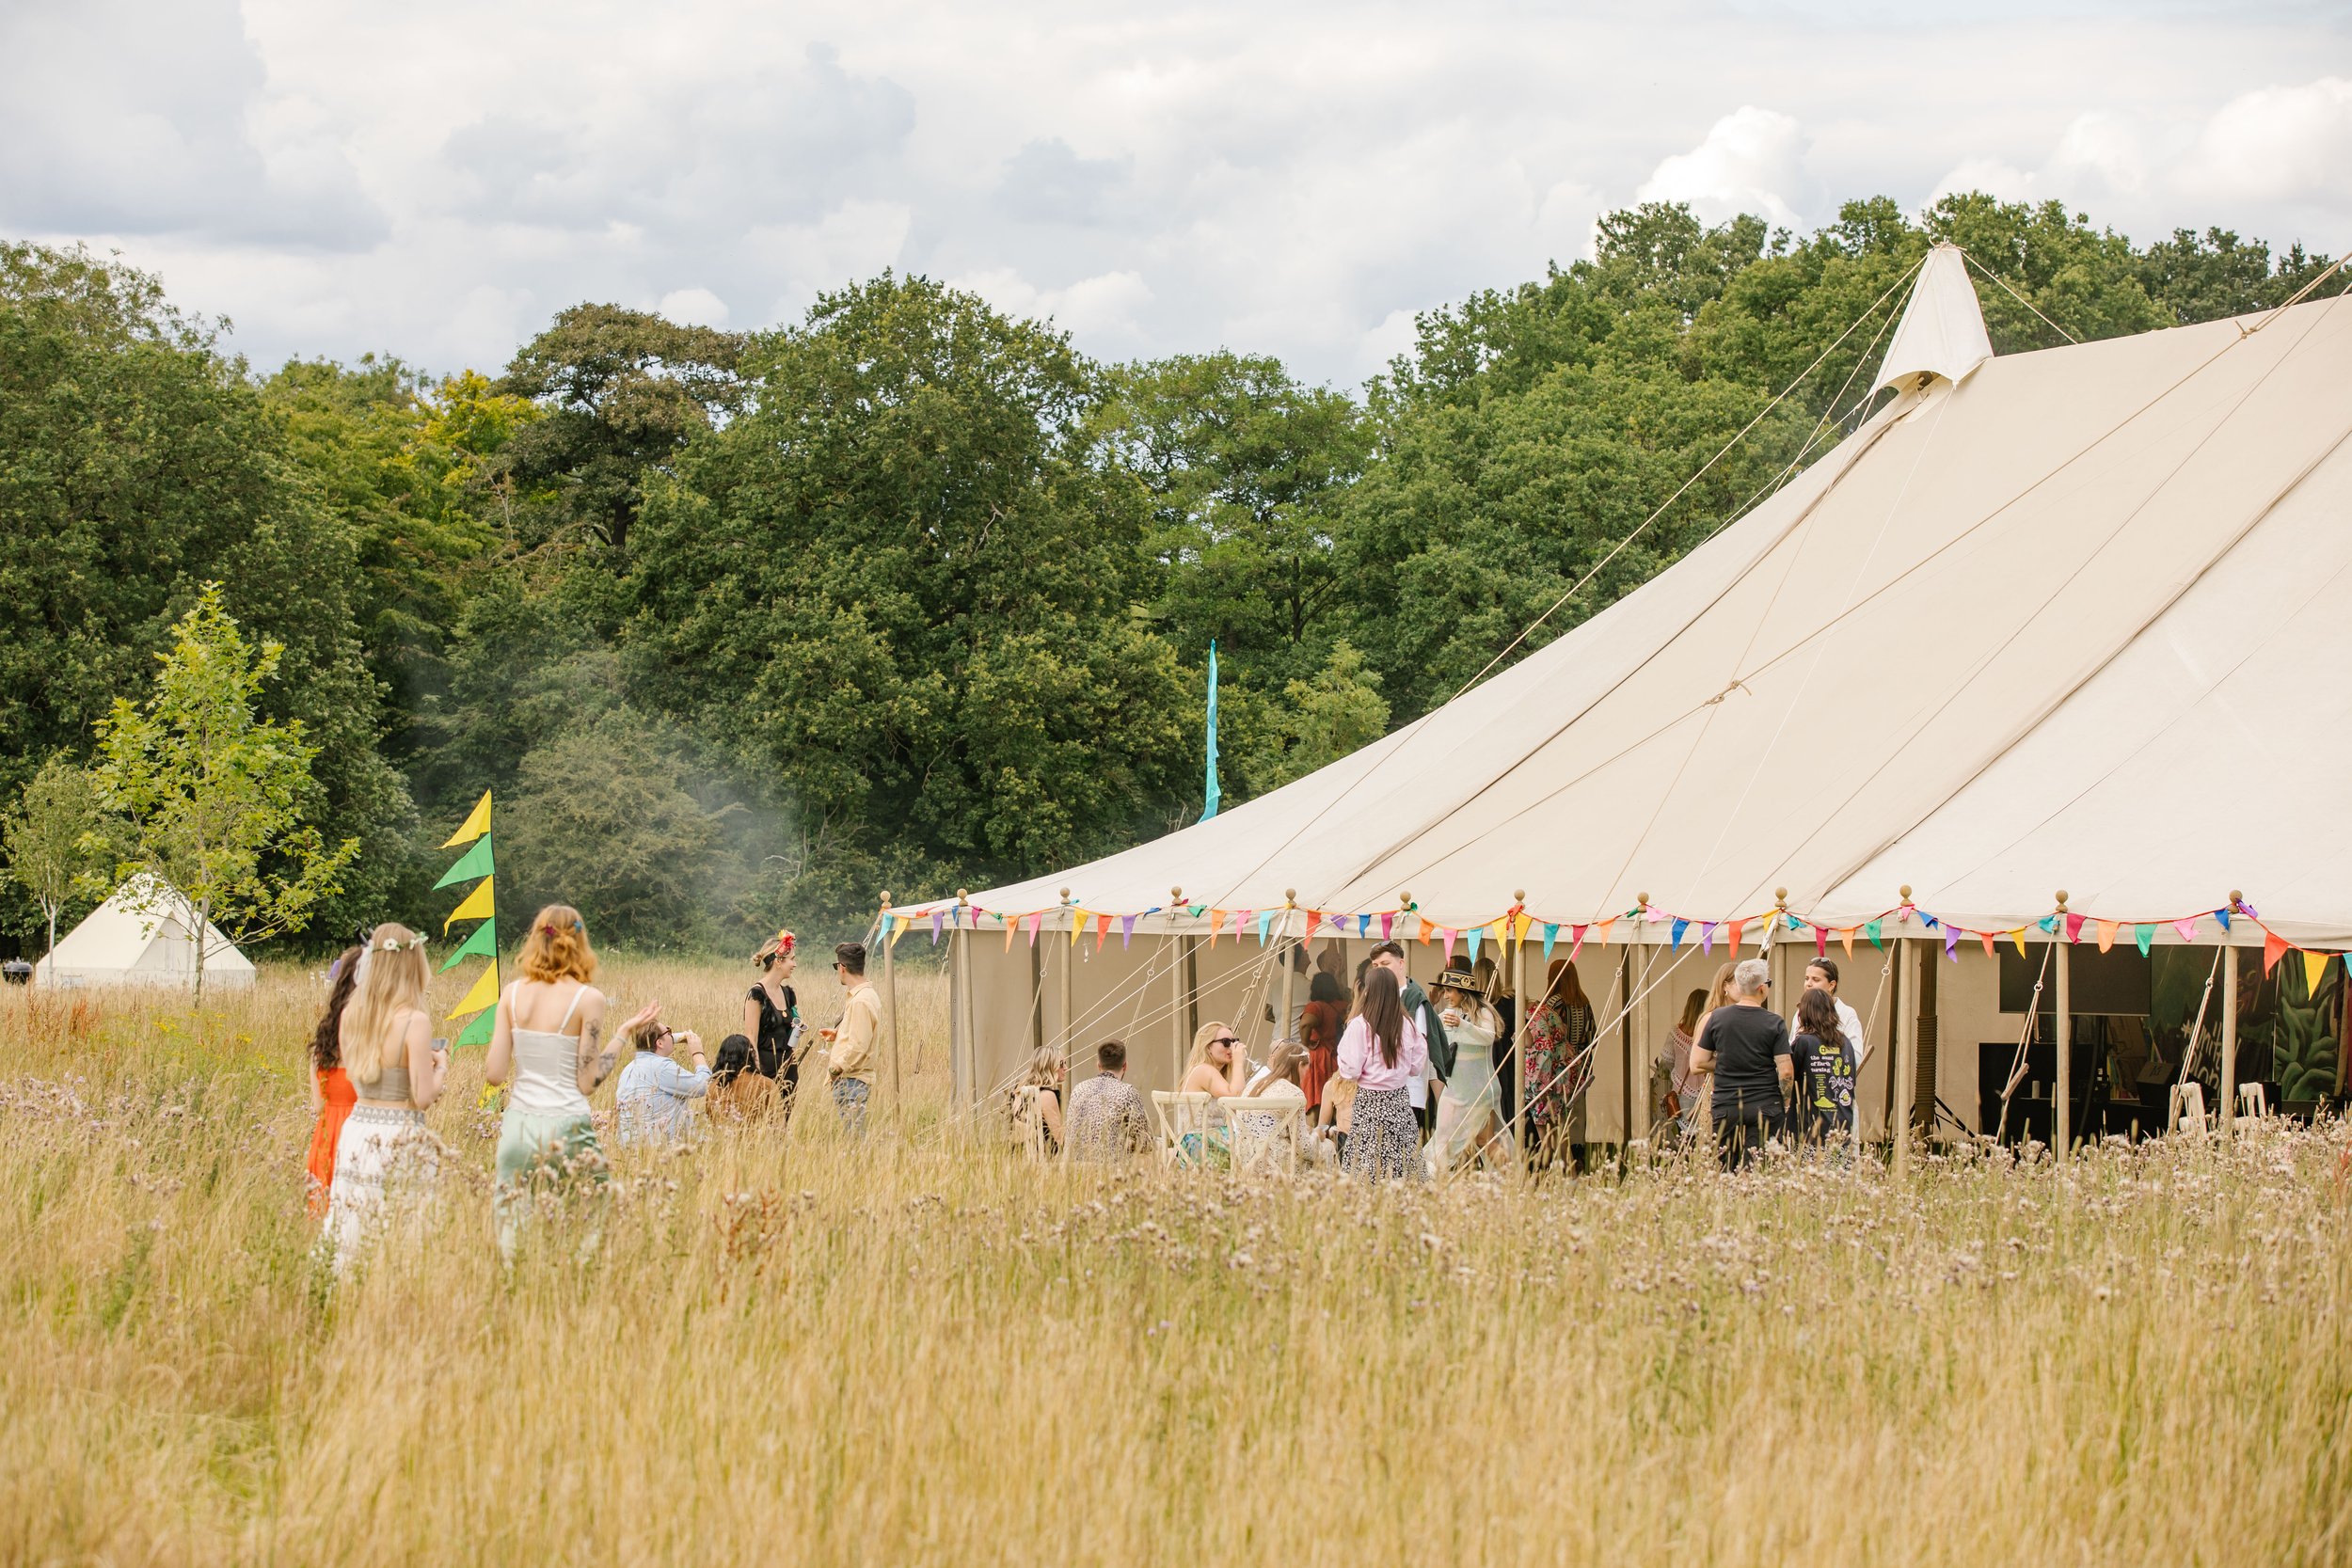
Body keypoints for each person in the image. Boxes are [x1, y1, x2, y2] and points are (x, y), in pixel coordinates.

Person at [485, 905, 654, 1262]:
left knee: (514, 1226)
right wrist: (622, 1034)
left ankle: (521, 1291)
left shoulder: (511, 994)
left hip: (518, 1125)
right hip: (567, 1125)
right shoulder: (587, 998)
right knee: (591, 1218)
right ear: (580, 941)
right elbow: (587, 1083)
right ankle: (568, 1288)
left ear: (536, 938)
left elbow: (495, 1074)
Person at [324, 926, 447, 1266]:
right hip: (399, 1133)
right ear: (412, 966)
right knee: (401, 1233)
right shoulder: (414, 1021)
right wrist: (441, 1068)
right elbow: (423, 1096)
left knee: (352, 1224)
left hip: (357, 1130)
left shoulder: (351, 1016)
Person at [1690, 958, 1793, 1171]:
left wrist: (1730, 1061)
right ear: (1763, 988)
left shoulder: (1716, 1018)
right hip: (1765, 1104)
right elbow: (1786, 1071)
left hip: (1726, 1103)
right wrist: (1785, 1103)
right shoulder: (1774, 1022)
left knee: (1725, 1169)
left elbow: (1699, 1061)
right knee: (1758, 1170)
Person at [1336, 965, 1428, 1180]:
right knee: (1404, 1167)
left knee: (1367, 1167)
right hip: (1399, 1103)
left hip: (1369, 1104)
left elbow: (1350, 1070)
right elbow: (1417, 1067)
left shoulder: (1359, 1025)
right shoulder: (1408, 1025)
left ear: (1369, 991)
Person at [1428, 960, 1504, 1173]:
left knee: (1484, 1141)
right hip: (1456, 1088)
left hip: (1478, 1090)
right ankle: (1436, 1177)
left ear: (1463, 992)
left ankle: (1512, 1181)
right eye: (1444, 991)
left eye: (1449, 991)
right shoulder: (1450, 1013)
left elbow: (1489, 1037)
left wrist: (1463, 1025)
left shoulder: (1482, 1013)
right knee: (1443, 1135)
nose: (1445, 996)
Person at [304, 944, 362, 1221]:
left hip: (325, 1138)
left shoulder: (322, 1044)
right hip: (361, 1135)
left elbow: (318, 1106)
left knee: (324, 1221)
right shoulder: (367, 1039)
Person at [1368, 940, 1450, 1133]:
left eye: (1385, 964)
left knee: (1403, 1156)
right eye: (1375, 966)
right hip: (1378, 1089)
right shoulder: (1373, 995)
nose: (1380, 969)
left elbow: (1417, 1048)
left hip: (1407, 1090)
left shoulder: (1413, 997)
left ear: (1401, 964)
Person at [1523, 959, 1597, 1167]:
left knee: (1553, 1121)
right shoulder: (1585, 1002)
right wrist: (1585, 1064)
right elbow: (1593, 1035)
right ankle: (1577, 1157)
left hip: (1555, 1069)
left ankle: (1555, 1164)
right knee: (1575, 1116)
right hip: (1578, 1067)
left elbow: (1545, 1039)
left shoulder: (1551, 1003)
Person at [615, 1018, 710, 1148]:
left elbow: (657, 1040)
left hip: (630, 1147)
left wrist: (677, 1037)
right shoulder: (661, 1067)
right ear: (659, 1043)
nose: (672, 1034)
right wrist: (697, 1052)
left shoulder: (629, 1069)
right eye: (669, 1031)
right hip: (658, 1149)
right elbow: (703, 1086)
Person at [820, 942, 881, 1137]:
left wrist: (835, 1069)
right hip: (853, 1079)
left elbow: (858, 1046)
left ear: (842, 967)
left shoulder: (861, 1001)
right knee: (853, 1134)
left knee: (854, 1137)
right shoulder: (865, 995)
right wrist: (839, 1035)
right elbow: (860, 1034)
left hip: (851, 1080)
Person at [742, 930, 804, 1106]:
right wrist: (756, 1074)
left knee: (783, 1122)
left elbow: (790, 1026)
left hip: (788, 1069)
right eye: (792, 959)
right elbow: (750, 1037)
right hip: (766, 1071)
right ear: (778, 961)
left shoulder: (787, 993)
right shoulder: (757, 994)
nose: (795, 964)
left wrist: (797, 1028)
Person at [1788, 987, 1855, 1151]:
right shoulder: (1846, 1042)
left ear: (1804, 1012)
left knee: (1809, 1174)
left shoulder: (1803, 1042)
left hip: (1810, 1128)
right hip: (1842, 1125)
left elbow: (1789, 1076)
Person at [1174, 1020, 1249, 1164]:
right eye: (1226, 1042)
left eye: (1234, 1042)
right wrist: (1239, 1063)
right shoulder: (1204, 1070)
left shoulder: (1206, 1071)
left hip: (1205, 1141)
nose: (1232, 1048)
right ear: (1208, 1047)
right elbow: (1234, 1097)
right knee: (1258, 1147)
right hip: (1201, 1144)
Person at [1067, 1037, 1152, 1162]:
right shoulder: (1127, 1092)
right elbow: (1145, 1143)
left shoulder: (1078, 1089)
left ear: (1098, 1066)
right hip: (1110, 1171)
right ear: (1125, 1066)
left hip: (1074, 1169)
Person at [1232, 1040, 1310, 1166]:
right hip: (1278, 1166)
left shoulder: (1250, 1087)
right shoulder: (1294, 1094)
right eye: (1307, 1068)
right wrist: (1319, 1138)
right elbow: (1304, 1149)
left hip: (1246, 1162)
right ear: (1300, 1064)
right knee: (1327, 1147)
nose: (1307, 1074)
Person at [1801, 958, 1867, 1071]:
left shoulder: (1847, 1013)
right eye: (1807, 979)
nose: (1809, 984)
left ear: (1831, 985)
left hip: (1835, 1082)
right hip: (1807, 1084)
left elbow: (1855, 1058)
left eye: (1816, 980)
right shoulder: (1800, 1011)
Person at [1661, 987, 1709, 1142]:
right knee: (1707, 1142)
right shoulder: (1712, 1034)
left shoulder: (1676, 1032)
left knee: (1684, 1144)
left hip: (1681, 1094)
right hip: (1707, 1094)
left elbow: (1666, 1060)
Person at [705, 1034, 782, 1123]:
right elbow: (778, 1122)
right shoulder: (766, 1084)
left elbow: (710, 1121)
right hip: (756, 1136)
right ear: (751, 1056)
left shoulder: (713, 1086)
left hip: (722, 1135)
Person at [1008, 1045, 1068, 1154]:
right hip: (1042, 1159)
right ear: (1049, 1066)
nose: (1065, 1068)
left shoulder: (1018, 1092)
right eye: (1061, 1064)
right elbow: (1059, 1137)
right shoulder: (1047, 1095)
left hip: (1017, 1155)